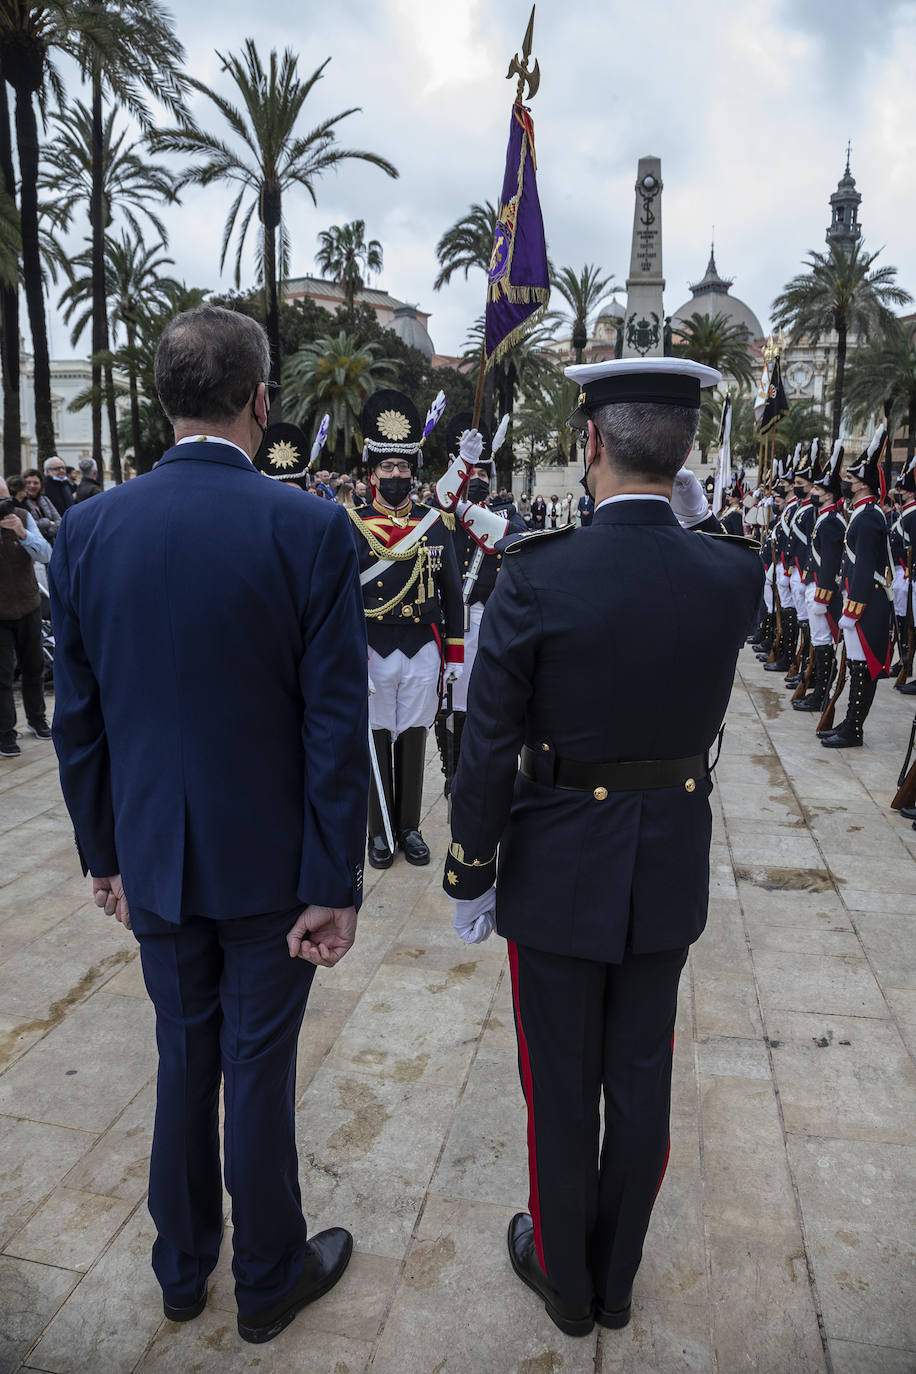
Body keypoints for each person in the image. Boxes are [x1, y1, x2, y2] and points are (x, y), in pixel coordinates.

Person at [49, 304, 369, 1344]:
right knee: (258, 1073)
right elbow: (333, 722)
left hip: (152, 859)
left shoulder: (89, 528)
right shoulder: (311, 526)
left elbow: (78, 721)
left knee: (187, 1059)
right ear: (260, 400)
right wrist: (336, 879)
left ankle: (182, 1269)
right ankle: (268, 1275)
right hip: (274, 868)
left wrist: (105, 855)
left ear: (162, 398)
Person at [442, 357, 762, 1338]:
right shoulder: (732, 572)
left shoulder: (536, 572)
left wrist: (471, 864)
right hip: (665, 861)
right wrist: (696, 524)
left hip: (555, 867)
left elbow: (487, 741)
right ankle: (616, 1278)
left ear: (589, 442)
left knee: (559, 1086)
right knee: (640, 1079)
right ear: (688, 451)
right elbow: (699, 583)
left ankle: (565, 1278)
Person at [347, 388, 464, 869]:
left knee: (414, 734)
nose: (396, 477)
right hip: (373, 647)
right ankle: (379, 831)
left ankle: (409, 826)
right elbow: (341, 601)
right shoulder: (351, 524)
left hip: (421, 647)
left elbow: (453, 594)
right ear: (371, 472)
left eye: (403, 469)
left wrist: (455, 658)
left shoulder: (434, 524)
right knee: (376, 736)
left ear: (412, 472)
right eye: (387, 469)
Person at [430, 412, 525, 792]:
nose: (478, 482)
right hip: (452, 624)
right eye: (472, 475)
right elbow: (442, 500)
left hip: (489, 623)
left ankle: (480, 772)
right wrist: (459, 476)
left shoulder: (504, 515)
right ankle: (451, 771)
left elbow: (514, 537)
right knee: (448, 706)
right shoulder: (440, 513)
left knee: (485, 705)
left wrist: (473, 510)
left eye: (483, 475)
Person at [820, 426, 893, 748]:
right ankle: (849, 723)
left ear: (863, 482)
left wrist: (853, 608)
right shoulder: (863, 514)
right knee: (856, 666)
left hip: (867, 604)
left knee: (863, 669)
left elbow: (864, 567)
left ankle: (853, 729)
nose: (845, 483)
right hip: (861, 602)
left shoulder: (868, 517)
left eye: (850, 478)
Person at [0, 475, 53, 757]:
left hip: (28, 604)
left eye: (6, 497)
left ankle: (37, 719)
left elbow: (46, 554)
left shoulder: (21, 516)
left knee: (34, 667)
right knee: (3, 675)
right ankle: (5, 733)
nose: (3, 505)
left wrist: (23, 533)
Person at [793, 442, 845, 714]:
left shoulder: (833, 521)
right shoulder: (825, 519)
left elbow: (831, 564)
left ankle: (822, 695)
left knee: (823, 643)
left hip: (822, 592)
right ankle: (819, 692)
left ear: (828, 495)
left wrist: (822, 596)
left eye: (817, 489)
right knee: (818, 641)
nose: (812, 491)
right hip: (814, 586)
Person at [20, 469, 61, 543]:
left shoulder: (45, 499)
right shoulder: (20, 502)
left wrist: (49, 533)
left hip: (51, 543)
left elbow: (59, 521)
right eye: (28, 482)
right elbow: (27, 525)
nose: (32, 486)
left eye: (36, 483)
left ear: (41, 485)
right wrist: (48, 522)